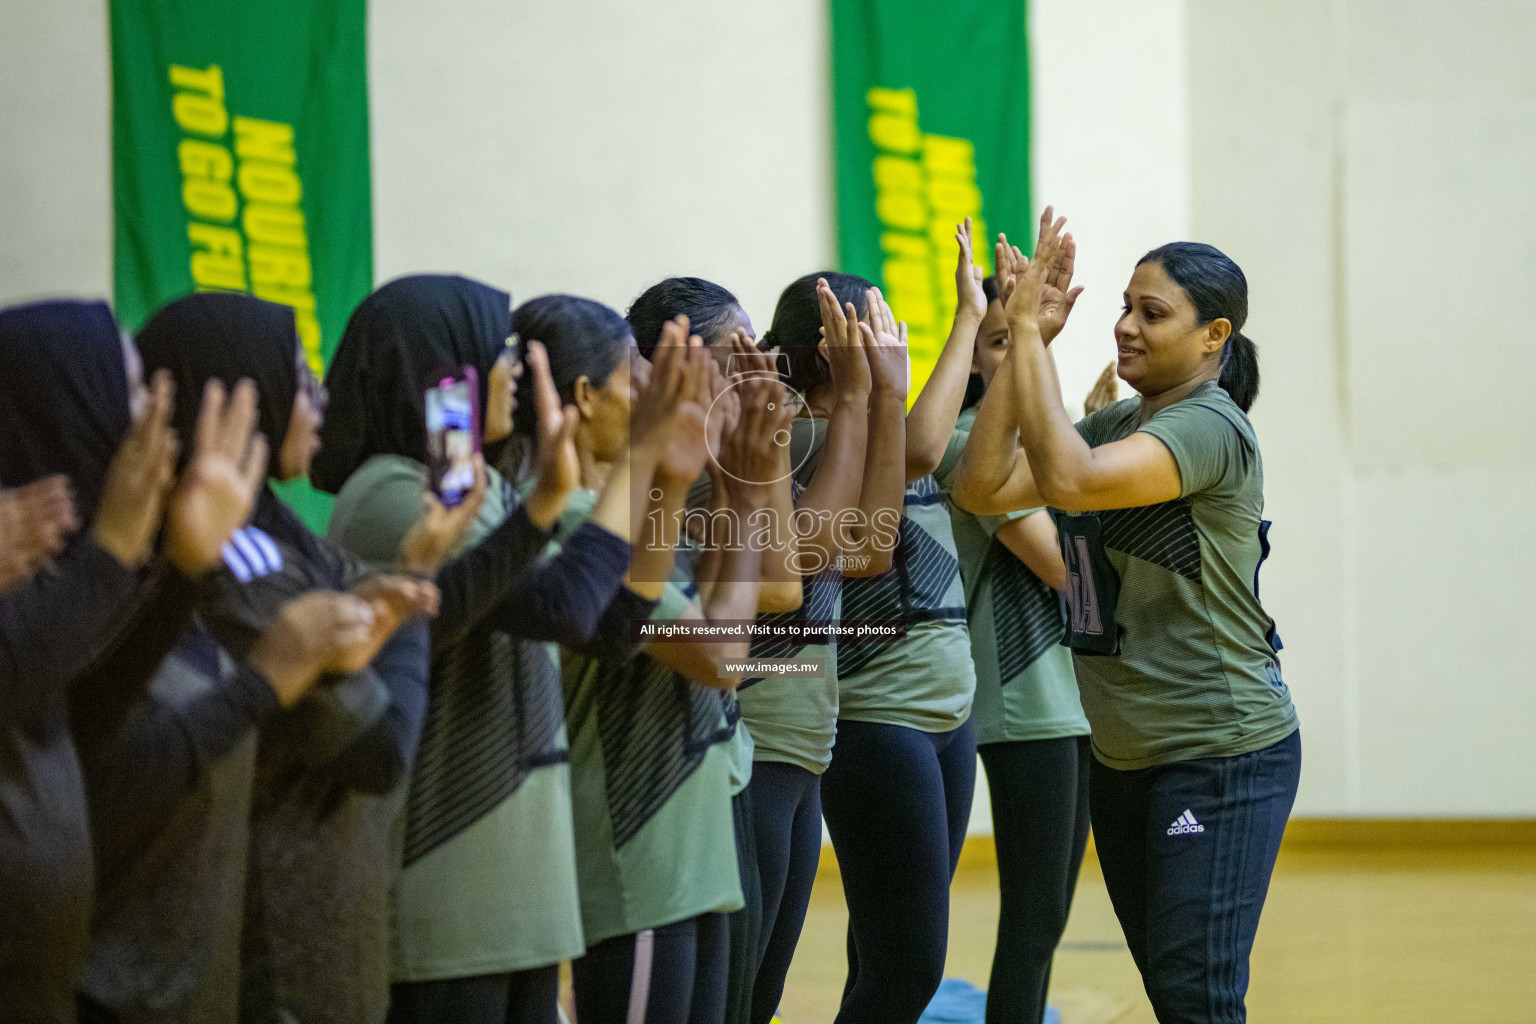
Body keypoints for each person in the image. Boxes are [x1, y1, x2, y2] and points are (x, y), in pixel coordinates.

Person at [954, 213, 1300, 1024]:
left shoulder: (1211, 426)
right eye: (1124, 305)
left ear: (1215, 336)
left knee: (1195, 996)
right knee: (1173, 993)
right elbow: (981, 488)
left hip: (1218, 753)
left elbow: (1067, 482)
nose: (1124, 326)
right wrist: (1020, 339)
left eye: (1153, 313)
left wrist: (1034, 346)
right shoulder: (1119, 422)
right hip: (1123, 755)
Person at [315, 274, 655, 1024]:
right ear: (441, 368)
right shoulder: (394, 494)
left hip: (523, 888)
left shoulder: (487, 493)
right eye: (493, 351)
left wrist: (664, 469)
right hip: (444, 883)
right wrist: (644, 456)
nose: (510, 368)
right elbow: (563, 609)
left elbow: (614, 630)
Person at [133, 292, 441, 1024]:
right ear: (249, 397)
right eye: (300, 378)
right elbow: (380, 746)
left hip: (328, 913)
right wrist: (418, 575)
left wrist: (387, 607)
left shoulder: (274, 533)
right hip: (278, 936)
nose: (319, 397)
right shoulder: (232, 560)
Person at [0, 298, 287, 1023]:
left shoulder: (56, 596)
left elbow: (88, 719)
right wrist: (112, 557)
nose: (151, 420)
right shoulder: (52, 598)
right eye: (129, 391)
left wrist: (180, 568)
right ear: (68, 406)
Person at [908, 217, 1101, 1024]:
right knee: (1030, 915)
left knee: (1051, 913)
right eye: (993, 340)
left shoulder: (1047, 454)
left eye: (1015, 338)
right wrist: (1096, 506)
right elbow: (1072, 574)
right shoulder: (963, 447)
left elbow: (1089, 596)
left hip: (1076, 699)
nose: (1008, 353)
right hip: (1026, 706)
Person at [627, 277, 807, 1024]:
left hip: (729, 759)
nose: (762, 365)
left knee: (741, 997)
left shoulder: (721, 456)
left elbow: (785, 584)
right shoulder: (656, 480)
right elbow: (736, 630)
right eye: (742, 351)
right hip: (668, 792)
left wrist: (755, 471)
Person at [804, 271, 980, 1024]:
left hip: (945, 716)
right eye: (878, 329)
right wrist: (969, 320)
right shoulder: (815, 433)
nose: (893, 342)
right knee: (908, 968)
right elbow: (923, 448)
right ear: (833, 343)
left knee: (883, 954)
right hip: (880, 720)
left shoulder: (880, 424)